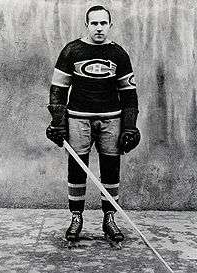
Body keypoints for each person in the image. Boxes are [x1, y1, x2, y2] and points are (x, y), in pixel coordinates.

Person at [46, 5, 140, 245]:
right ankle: (76, 218)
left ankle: (110, 219)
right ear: (86, 24)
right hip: (78, 118)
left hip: (111, 119)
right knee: (77, 169)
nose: (99, 27)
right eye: (94, 23)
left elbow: (129, 94)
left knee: (111, 168)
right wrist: (58, 122)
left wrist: (130, 126)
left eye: (103, 23)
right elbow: (58, 89)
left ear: (110, 25)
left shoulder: (119, 54)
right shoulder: (71, 51)